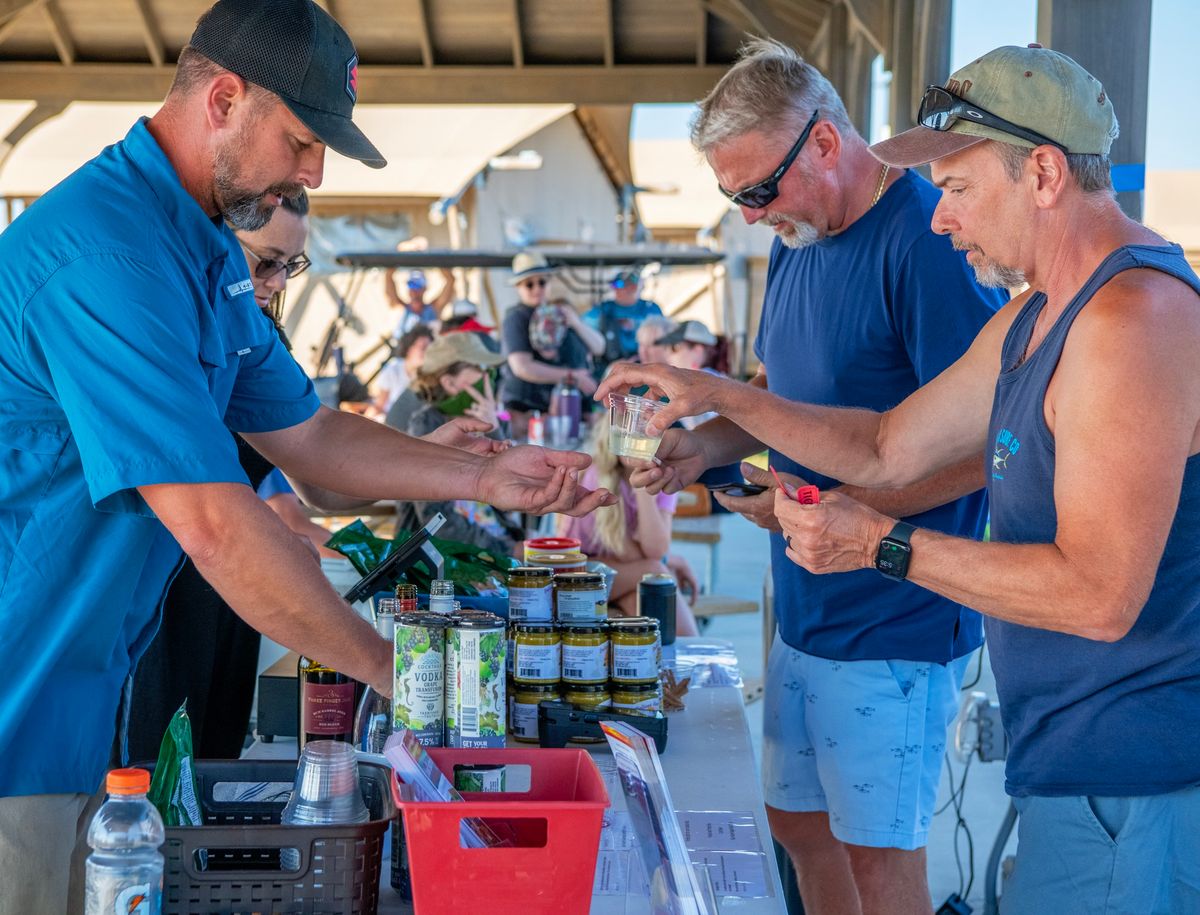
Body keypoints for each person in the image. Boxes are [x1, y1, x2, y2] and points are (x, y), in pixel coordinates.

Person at [0, 1, 612, 907]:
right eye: (299, 140)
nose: (315, 169)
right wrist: (387, 669)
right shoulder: (108, 255)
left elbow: (313, 439)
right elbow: (217, 524)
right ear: (223, 99)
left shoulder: (200, 244)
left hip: (86, 686)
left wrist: (479, 474)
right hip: (21, 691)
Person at [601, 43, 1200, 914]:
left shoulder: (1133, 318)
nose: (941, 219)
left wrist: (880, 544)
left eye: (956, 189)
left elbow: (1101, 593)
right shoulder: (1039, 315)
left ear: (1040, 173)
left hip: (1134, 767)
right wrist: (715, 405)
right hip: (1067, 752)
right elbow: (886, 445)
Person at [596, 38, 1004, 915]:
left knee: (878, 859)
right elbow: (784, 389)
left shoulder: (928, 243)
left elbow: (980, 448)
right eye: (732, 196)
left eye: (756, 190)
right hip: (806, 604)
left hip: (894, 616)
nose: (749, 215)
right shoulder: (798, 236)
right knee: (798, 825)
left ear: (824, 142)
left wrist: (849, 519)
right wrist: (702, 444)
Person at [127, 190, 342, 765]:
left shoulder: (262, 341)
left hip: (228, 585)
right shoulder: (172, 328)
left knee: (216, 755)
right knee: (154, 767)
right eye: (266, 261)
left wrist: (446, 465)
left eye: (290, 265)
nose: (276, 280)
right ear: (217, 241)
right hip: (165, 585)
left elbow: (313, 460)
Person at [558, 414, 699, 635]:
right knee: (655, 574)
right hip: (576, 571)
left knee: (646, 606)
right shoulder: (600, 475)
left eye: (649, 430)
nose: (639, 440)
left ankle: (676, 660)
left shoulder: (665, 478)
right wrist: (669, 562)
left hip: (621, 575)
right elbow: (637, 558)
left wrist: (644, 490)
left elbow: (655, 549)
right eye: (630, 430)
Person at [400, 332, 524, 557]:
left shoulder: (487, 419)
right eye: (480, 368)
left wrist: (493, 427)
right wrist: (507, 550)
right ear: (449, 383)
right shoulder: (426, 425)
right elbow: (438, 523)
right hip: (452, 559)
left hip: (493, 545)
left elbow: (515, 483)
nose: (488, 376)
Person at [499, 251, 605, 437]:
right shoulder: (516, 318)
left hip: (565, 413)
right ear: (518, 287)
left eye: (542, 282)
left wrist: (576, 323)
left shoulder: (561, 313)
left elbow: (598, 347)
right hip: (526, 414)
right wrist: (573, 377)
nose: (536, 288)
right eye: (529, 284)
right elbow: (522, 367)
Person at [584, 268, 664, 377]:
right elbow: (584, 328)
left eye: (629, 285)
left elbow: (663, 337)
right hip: (609, 364)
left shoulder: (651, 309)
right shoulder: (603, 309)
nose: (618, 290)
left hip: (646, 364)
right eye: (616, 285)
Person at [374, 322, 434, 415]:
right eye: (423, 348)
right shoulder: (393, 370)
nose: (428, 353)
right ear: (409, 348)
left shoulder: (429, 374)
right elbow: (379, 406)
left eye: (430, 349)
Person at [385, 266, 455, 334]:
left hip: (430, 346)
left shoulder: (434, 309)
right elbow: (388, 277)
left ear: (425, 288)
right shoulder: (400, 309)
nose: (415, 290)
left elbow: (450, 281)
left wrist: (437, 260)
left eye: (418, 285)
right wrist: (397, 259)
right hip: (404, 345)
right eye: (411, 284)